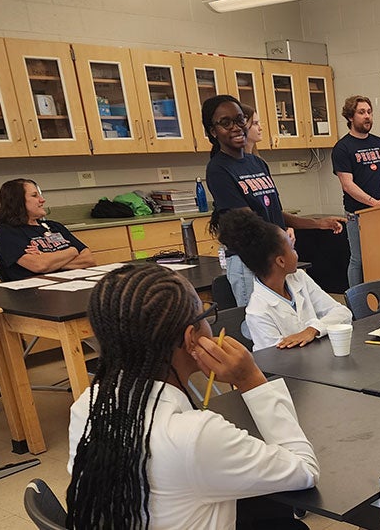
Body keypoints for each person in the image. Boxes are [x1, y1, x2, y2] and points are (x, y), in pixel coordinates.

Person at [66, 263, 319, 529]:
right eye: (205, 316)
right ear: (191, 338)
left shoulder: (88, 404)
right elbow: (304, 471)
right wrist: (251, 379)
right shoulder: (194, 436)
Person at [202, 94, 344, 307]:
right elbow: (247, 220)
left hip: (277, 254)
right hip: (250, 261)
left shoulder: (256, 163)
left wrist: (317, 224)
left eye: (240, 119)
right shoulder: (218, 169)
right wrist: (281, 238)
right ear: (213, 131)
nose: (236, 127)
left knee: (292, 316)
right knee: (262, 326)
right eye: (225, 123)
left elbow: (274, 213)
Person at [214, 209, 351, 351]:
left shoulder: (299, 277)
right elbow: (278, 360)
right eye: (292, 249)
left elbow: (343, 313)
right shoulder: (258, 311)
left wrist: (312, 330)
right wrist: (321, 327)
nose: (296, 253)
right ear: (281, 261)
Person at [331, 95, 380, 288]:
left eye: (369, 112)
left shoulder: (379, 143)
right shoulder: (342, 148)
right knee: (359, 260)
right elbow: (347, 184)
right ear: (350, 117)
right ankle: (355, 300)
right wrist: (374, 202)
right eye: (361, 112)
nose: (367, 117)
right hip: (358, 214)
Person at [0, 178, 96, 281]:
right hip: (34, 292)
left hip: (72, 284)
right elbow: (40, 265)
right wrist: (72, 251)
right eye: (34, 196)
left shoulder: (55, 226)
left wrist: (49, 261)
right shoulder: (7, 233)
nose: (42, 200)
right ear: (17, 201)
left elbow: (89, 260)